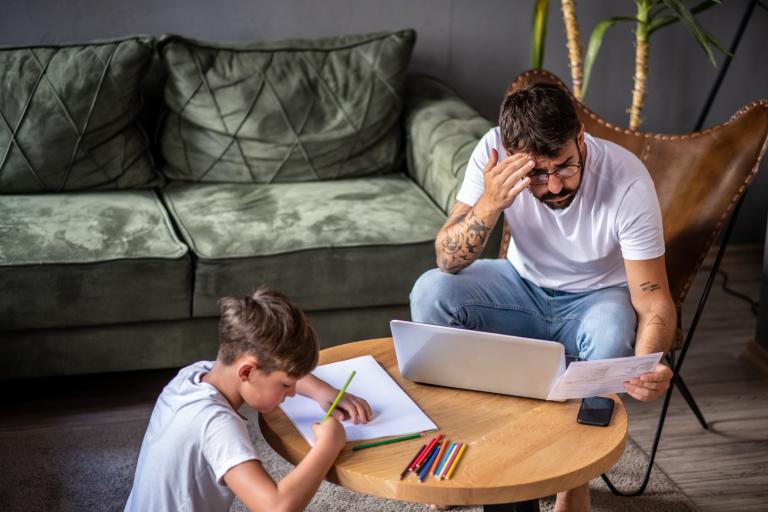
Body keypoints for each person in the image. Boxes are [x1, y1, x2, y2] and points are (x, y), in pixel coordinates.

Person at [410, 83, 676, 512]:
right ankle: (458, 447)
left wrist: (648, 364)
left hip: (595, 298)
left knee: (611, 335)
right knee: (431, 291)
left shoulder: (627, 180)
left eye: (565, 166)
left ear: (581, 140)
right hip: (519, 287)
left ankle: (573, 483)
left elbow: (653, 299)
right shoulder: (492, 153)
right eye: (536, 173)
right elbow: (447, 259)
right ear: (512, 156)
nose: (554, 186)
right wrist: (490, 203)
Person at [125, 287, 372, 512]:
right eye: (286, 384)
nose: (293, 392)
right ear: (246, 372)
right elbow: (276, 507)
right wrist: (328, 445)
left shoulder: (194, 375)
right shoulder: (216, 424)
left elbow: (269, 366)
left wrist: (321, 391)